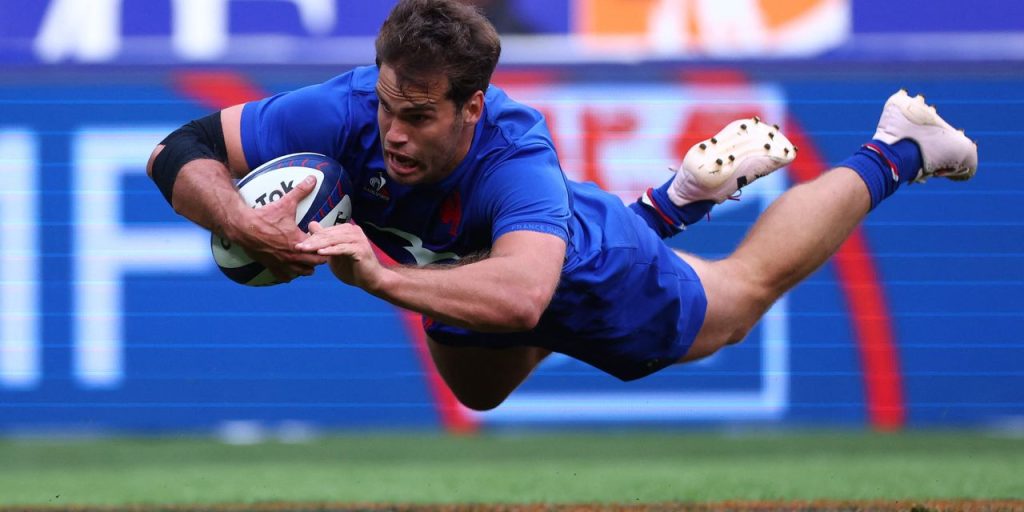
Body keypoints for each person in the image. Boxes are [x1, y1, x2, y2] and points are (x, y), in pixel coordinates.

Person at [146, 0, 978, 411]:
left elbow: (520, 298)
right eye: (388, 106)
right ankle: (662, 208)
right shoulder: (347, 107)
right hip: (473, 262)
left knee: (739, 298)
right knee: (476, 390)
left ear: (472, 107)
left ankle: (897, 148)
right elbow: (176, 149)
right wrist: (239, 220)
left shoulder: (516, 158)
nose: (393, 133)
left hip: (568, 264)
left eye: (420, 116)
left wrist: (380, 277)